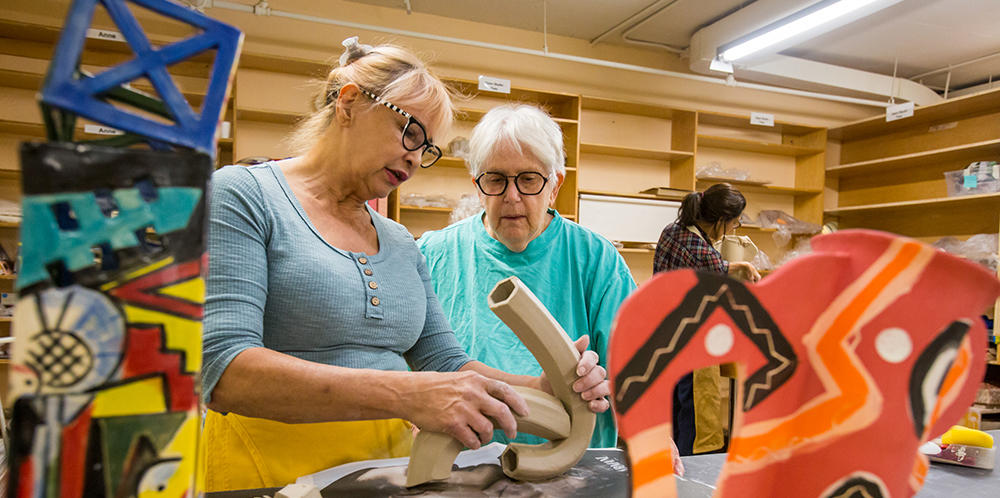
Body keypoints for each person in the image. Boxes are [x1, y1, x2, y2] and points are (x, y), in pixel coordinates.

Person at [201, 38, 609, 491]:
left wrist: (538, 387)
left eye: (426, 147)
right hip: (264, 471)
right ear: (350, 103)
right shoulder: (246, 195)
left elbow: (447, 364)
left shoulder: (398, 240)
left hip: (382, 473)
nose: (415, 157)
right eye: (410, 132)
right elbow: (224, 368)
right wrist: (410, 393)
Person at [417, 104, 632, 449]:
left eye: (529, 179)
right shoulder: (433, 253)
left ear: (555, 185)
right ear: (477, 185)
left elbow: (637, 374)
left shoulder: (596, 259)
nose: (512, 196)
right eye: (496, 180)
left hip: (571, 464)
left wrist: (652, 434)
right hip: (460, 462)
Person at [653, 182, 761, 456]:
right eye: (734, 225)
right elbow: (715, 271)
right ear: (721, 220)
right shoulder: (700, 248)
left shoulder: (673, 230)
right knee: (693, 408)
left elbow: (714, 264)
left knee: (674, 405)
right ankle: (691, 466)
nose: (733, 230)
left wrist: (738, 265)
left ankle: (672, 462)